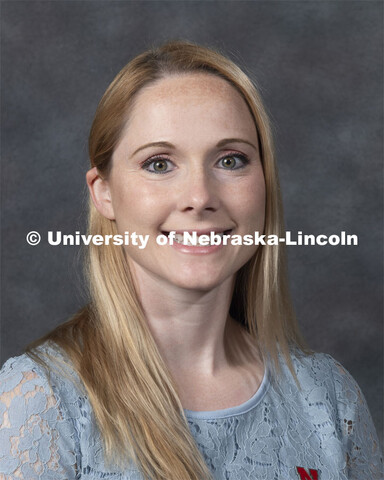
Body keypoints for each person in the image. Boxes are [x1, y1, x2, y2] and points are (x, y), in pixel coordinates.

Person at [0, 40, 382, 480]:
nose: (200, 197)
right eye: (159, 164)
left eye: (231, 159)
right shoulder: (41, 399)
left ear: (265, 184)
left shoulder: (331, 401)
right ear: (103, 193)